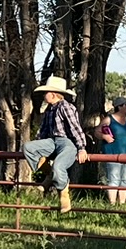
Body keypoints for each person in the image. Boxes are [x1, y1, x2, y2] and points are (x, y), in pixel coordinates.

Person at [25, 75, 88, 213]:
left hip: (67, 142)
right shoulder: (49, 109)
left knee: (59, 165)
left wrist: (81, 147)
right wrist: (40, 143)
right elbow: (45, 130)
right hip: (52, 141)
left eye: (45, 93)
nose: (43, 95)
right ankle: (50, 175)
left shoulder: (66, 107)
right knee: (28, 148)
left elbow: (75, 127)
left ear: (53, 94)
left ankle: (64, 195)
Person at [102, 97, 126, 206]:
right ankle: (112, 203)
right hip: (113, 154)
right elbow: (97, 131)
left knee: (125, 178)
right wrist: (105, 136)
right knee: (114, 178)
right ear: (119, 107)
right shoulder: (109, 119)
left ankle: (122, 203)